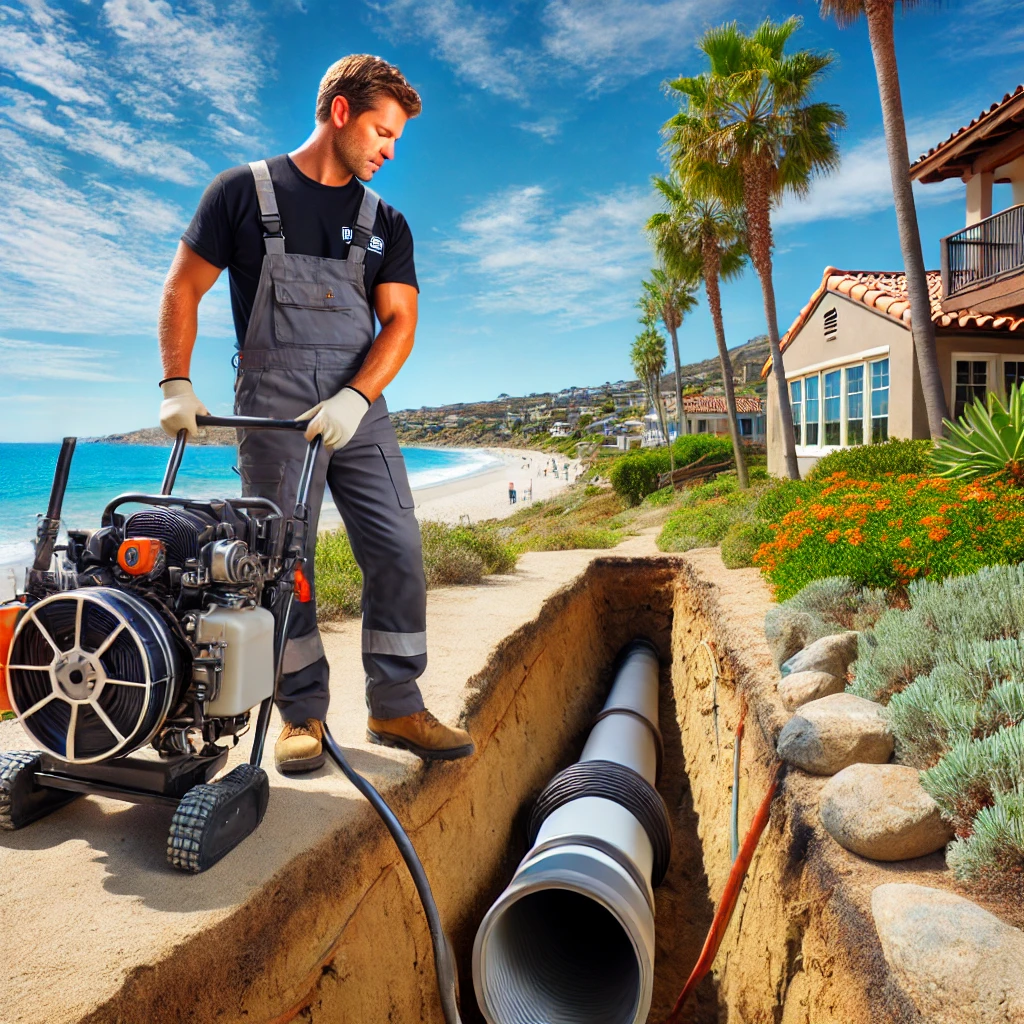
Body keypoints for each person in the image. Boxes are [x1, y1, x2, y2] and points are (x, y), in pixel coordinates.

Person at [156, 55, 474, 772]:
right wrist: (175, 383)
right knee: (281, 564)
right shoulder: (241, 193)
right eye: (382, 133)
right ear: (340, 113)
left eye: (396, 138)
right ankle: (302, 715)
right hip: (271, 408)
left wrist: (357, 398)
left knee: (397, 547)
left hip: (359, 406)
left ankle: (397, 707)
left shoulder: (385, 222)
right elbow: (183, 289)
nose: (389, 151)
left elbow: (400, 325)